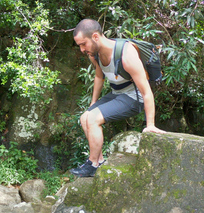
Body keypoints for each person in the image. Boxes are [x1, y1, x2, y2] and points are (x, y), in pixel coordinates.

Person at [70, 19, 166, 177]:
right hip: (117, 93)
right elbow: (99, 77)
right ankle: (99, 161)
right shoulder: (96, 53)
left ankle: (92, 164)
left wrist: (150, 124)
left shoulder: (126, 55)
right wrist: (93, 103)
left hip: (134, 98)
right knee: (85, 117)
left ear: (95, 36)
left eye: (83, 44)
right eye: (79, 45)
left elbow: (147, 92)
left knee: (93, 119)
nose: (81, 49)